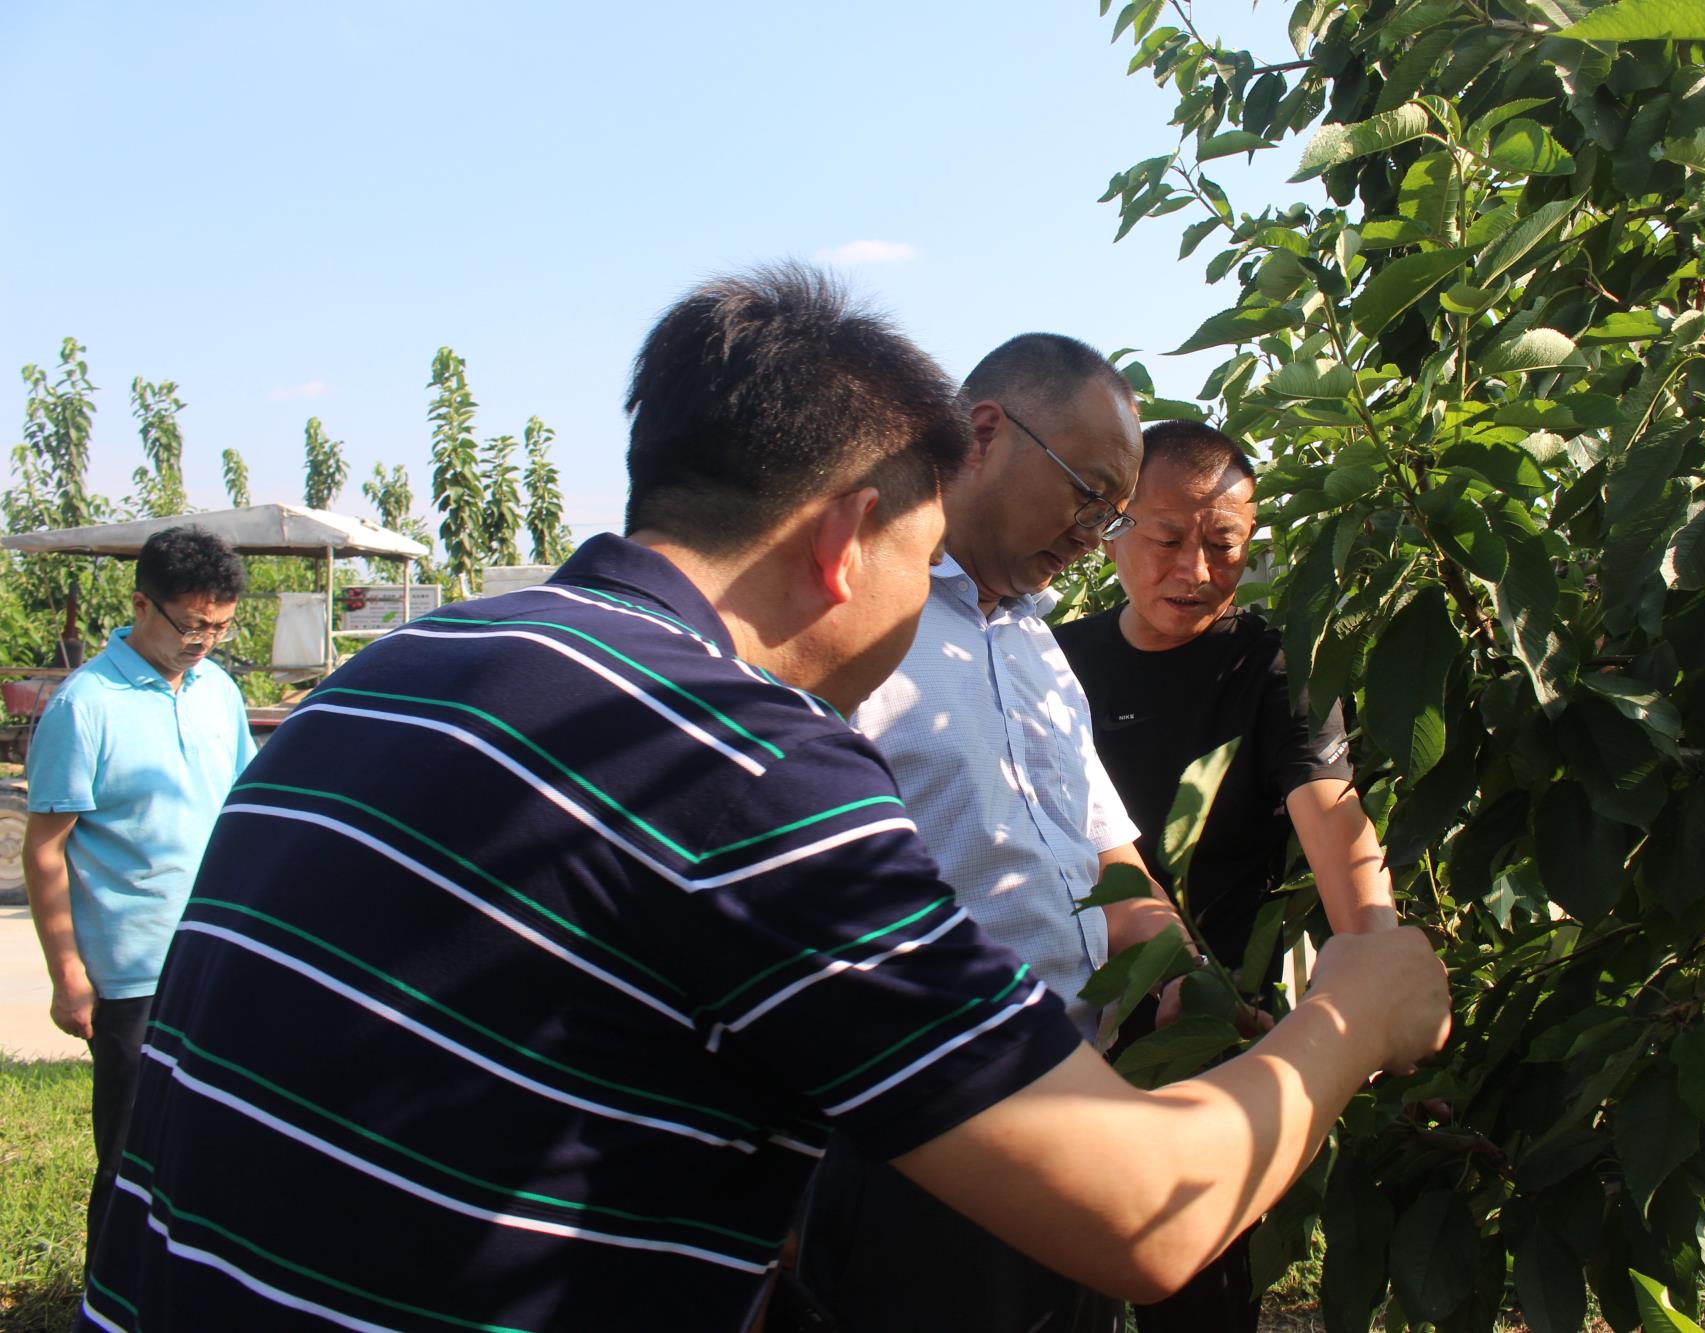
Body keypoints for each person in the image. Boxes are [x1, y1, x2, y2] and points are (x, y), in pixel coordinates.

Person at [84, 268, 1450, 1333]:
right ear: (850, 539)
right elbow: (1146, 1212)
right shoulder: (743, 764)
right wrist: (1355, 1009)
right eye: (926, 550)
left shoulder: (389, 678)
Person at [799, 335, 1196, 1332]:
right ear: (983, 432)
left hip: (1074, 1110)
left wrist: (1190, 982)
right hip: (925, 1130)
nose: (1092, 533)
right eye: (1086, 493)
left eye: (1112, 515)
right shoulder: (855, 615)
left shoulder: (1034, 646)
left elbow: (1106, 856)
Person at [1053, 421, 1398, 1331]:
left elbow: (1332, 818)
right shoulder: (1055, 663)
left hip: (1208, 1020)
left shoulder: (1273, 665)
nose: (1195, 570)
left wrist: (1380, 978)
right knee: (1056, 1276)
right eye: (1168, 538)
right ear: (1116, 528)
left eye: (1224, 543)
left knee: (1197, 1285)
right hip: (1069, 1009)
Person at [20, 526, 254, 1273]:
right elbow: (44, 848)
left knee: (215, 1134)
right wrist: (68, 974)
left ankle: (190, 1286)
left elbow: (241, 808)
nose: (204, 642)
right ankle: (109, 1299)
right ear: (141, 605)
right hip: (131, 974)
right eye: (192, 625)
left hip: (213, 953)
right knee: (129, 1151)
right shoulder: (85, 705)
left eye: (220, 626)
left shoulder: (218, 691)